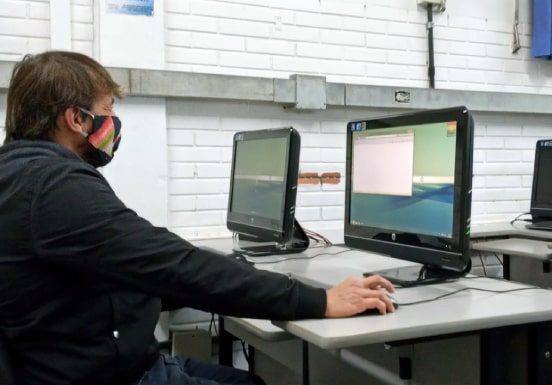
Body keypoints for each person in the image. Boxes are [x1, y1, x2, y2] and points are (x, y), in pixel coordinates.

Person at [0, 51, 396, 385]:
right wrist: (320, 299)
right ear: (76, 119)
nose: (113, 124)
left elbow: (131, 263)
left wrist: (207, 275)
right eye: (107, 111)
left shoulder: (19, 175)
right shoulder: (53, 186)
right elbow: (170, 263)